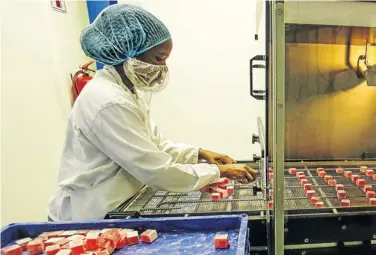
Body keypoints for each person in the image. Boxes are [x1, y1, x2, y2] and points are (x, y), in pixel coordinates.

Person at [48, 4, 257, 221]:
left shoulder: (126, 91)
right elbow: (156, 170)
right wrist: (218, 172)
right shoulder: (108, 102)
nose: (163, 68)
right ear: (129, 52)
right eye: (158, 59)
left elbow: (155, 146)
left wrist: (200, 153)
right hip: (89, 215)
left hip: (114, 204)